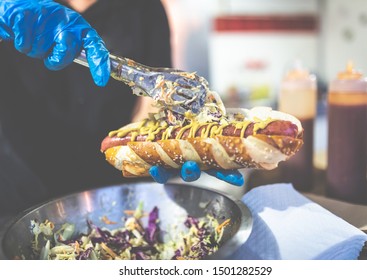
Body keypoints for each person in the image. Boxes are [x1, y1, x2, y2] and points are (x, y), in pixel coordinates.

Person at [0, 0, 242, 215]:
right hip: (19, 190)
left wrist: (160, 146)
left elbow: (151, 103)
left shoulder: (145, 8)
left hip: (112, 197)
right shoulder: (15, 6)